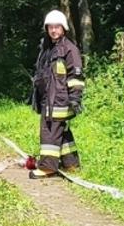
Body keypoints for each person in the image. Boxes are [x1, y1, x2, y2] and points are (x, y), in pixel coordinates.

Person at [29, 10, 84, 178]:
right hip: (48, 98)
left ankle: (47, 167)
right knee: (62, 130)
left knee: (50, 129)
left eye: (57, 27)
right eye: (50, 27)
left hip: (60, 100)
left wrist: (75, 98)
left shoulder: (69, 49)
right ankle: (71, 164)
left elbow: (76, 76)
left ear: (64, 28)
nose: (53, 30)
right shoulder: (47, 49)